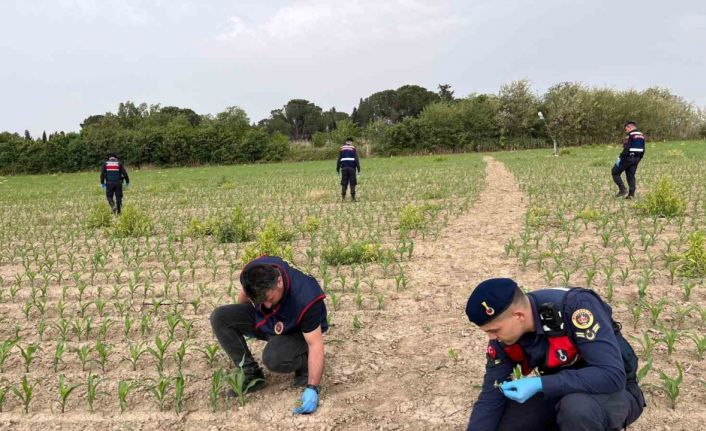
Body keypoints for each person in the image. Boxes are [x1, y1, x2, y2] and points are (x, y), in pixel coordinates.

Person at [464, 278, 645, 431]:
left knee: (577, 410)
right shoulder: (504, 338)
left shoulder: (575, 307)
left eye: (494, 330)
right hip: (559, 390)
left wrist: (540, 383)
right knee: (504, 422)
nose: (491, 337)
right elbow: (491, 396)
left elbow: (611, 376)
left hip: (615, 392)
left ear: (518, 315)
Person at [210, 255, 328, 414]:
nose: (266, 304)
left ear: (279, 281)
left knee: (273, 358)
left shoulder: (306, 298)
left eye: (270, 298)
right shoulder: (252, 273)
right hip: (270, 320)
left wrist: (313, 387)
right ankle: (251, 375)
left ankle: (303, 365)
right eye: (261, 300)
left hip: (297, 329)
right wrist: (243, 323)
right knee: (220, 317)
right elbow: (245, 295)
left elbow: (315, 343)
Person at [612, 121, 645, 199]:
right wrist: (639, 158)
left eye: (626, 129)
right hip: (637, 158)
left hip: (627, 158)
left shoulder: (629, 135)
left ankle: (622, 189)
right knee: (631, 176)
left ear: (629, 127)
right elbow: (643, 149)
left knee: (615, 172)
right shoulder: (641, 135)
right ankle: (631, 195)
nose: (626, 130)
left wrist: (620, 157)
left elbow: (626, 148)